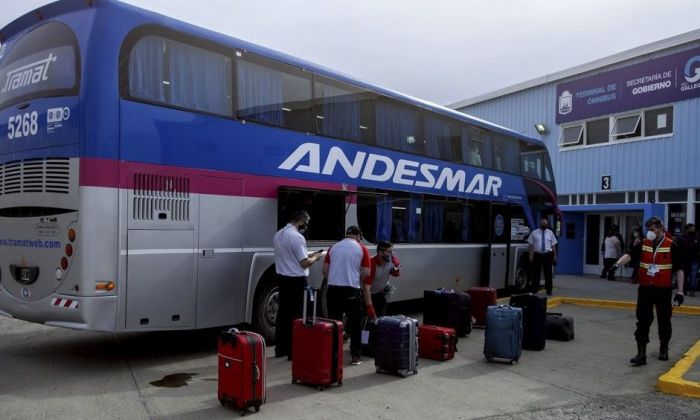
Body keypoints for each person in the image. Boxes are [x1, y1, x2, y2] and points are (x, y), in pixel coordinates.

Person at [610, 216, 684, 365]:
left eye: (652, 229)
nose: (649, 232)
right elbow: (630, 255)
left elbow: (679, 270)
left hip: (663, 290)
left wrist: (680, 292)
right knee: (643, 321)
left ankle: (663, 348)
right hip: (645, 289)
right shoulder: (643, 243)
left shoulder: (671, 245)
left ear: (660, 229)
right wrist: (617, 265)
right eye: (648, 229)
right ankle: (641, 353)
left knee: (664, 321)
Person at [273, 210, 323, 359]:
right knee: (297, 315)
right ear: (301, 221)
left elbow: (291, 255)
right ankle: (292, 351)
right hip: (296, 281)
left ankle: (280, 348)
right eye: (306, 224)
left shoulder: (279, 234)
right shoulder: (297, 237)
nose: (306, 227)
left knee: (283, 314)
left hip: (282, 279)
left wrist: (310, 254)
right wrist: (316, 258)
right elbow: (304, 263)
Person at [323, 226, 371, 365]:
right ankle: (355, 356)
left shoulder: (333, 247)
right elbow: (367, 272)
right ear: (358, 236)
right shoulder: (361, 249)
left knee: (334, 323)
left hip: (333, 290)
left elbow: (325, 270)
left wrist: (333, 279)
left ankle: (333, 355)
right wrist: (356, 278)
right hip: (351, 290)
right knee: (355, 323)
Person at [363, 240, 401, 318]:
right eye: (388, 252)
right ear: (380, 252)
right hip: (367, 295)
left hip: (380, 294)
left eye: (392, 251)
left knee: (380, 319)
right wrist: (369, 307)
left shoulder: (391, 260)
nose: (391, 254)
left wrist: (396, 269)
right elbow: (366, 288)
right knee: (366, 321)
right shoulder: (372, 264)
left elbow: (397, 272)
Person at [527, 217, 558, 295]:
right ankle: (534, 290)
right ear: (540, 224)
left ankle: (549, 291)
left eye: (546, 224)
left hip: (548, 255)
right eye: (543, 224)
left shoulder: (550, 233)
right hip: (537, 255)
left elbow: (553, 245)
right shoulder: (534, 233)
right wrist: (530, 255)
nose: (545, 226)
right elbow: (530, 245)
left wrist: (554, 256)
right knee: (536, 274)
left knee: (548, 274)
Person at [677, 223, 699, 297]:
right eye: (691, 229)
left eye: (694, 229)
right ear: (687, 229)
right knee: (684, 275)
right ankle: (684, 290)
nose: (693, 230)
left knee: (693, 276)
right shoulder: (681, 238)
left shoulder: (697, 238)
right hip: (684, 260)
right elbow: (678, 249)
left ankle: (692, 290)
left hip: (695, 260)